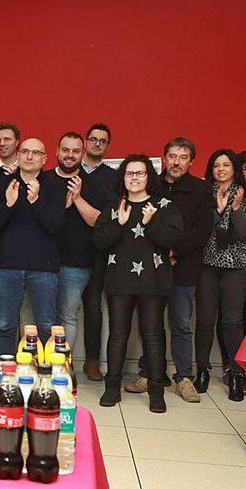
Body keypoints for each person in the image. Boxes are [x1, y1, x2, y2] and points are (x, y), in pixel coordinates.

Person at [124, 137, 212, 404]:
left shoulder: (201, 189)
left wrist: (174, 250)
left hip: (183, 268)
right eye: (172, 156)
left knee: (181, 324)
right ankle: (150, 373)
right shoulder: (152, 185)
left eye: (183, 157)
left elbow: (201, 230)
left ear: (191, 161)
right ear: (163, 158)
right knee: (151, 325)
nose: (176, 162)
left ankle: (183, 377)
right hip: (150, 268)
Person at [95, 154, 183, 413]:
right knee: (118, 335)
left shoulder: (164, 206)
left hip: (153, 282)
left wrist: (151, 222)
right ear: (123, 177)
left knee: (153, 336)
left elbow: (173, 240)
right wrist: (119, 224)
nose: (134, 177)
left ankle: (156, 390)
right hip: (119, 280)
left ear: (149, 176)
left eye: (140, 173)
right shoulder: (114, 206)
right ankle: (112, 387)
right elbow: (98, 241)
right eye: (129, 173)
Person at [0, 138, 66, 357]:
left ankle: (45, 377)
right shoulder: (3, 184)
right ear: (18, 155)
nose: (30, 157)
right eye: (25, 152)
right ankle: (6, 376)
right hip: (7, 267)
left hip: (44, 269)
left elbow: (56, 226)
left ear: (44, 159)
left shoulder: (55, 185)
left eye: (36, 153)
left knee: (47, 326)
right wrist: (8, 205)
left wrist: (36, 201)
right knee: (5, 326)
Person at [44, 132, 113, 356]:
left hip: (77, 262)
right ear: (57, 151)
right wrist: (62, 205)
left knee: (67, 315)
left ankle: (62, 366)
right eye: (65, 150)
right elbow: (38, 218)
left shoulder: (93, 183)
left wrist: (78, 199)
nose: (70, 155)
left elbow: (98, 221)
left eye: (75, 151)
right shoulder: (44, 180)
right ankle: (42, 364)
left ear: (82, 153)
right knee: (43, 317)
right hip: (43, 260)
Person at [194, 150, 246, 401]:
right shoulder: (205, 192)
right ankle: (202, 370)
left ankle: (236, 374)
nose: (221, 169)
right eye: (216, 165)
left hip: (236, 265)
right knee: (204, 320)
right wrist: (219, 208)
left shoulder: (244, 194)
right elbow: (202, 228)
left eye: (226, 165)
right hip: (207, 263)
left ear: (234, 168)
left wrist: (235, 210)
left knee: (233, 322)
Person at [79, 123, 117, 381]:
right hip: (61, 251)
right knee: (60, 311)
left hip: (96, 252)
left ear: (107, 146)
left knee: (93, 307)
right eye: (93, 139)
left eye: (102, 141)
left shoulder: (113, 177)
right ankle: (58, 362)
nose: (97, 144)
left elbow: (105, 218)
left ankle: (92, 361)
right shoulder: (67, 171)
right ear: (85, 142)